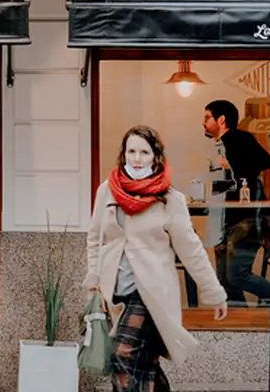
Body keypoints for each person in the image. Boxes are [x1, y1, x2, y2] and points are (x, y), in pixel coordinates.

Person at [85, 125, 227, 391]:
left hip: (152, 292)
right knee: (145, 362)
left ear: (155, 156)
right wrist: (94, 277)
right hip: (116, 290)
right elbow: (95, 237)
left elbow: (191, 249)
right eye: (131, 151)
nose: (137, 159)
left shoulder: (170, 199)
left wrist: (214, 292)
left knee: (122, 354)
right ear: (123, 154)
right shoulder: (108, 190)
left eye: (144, 152)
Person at [203, 99, 270, 306]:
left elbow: (265, 161)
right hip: (225, 219)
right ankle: (237, 320)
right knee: (225, 281)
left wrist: (232, 163)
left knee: (236, 276)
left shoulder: (240, 139)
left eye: (207, 117)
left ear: (221, 119)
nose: (203, 123)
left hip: (245, 219)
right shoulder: (219, 147)